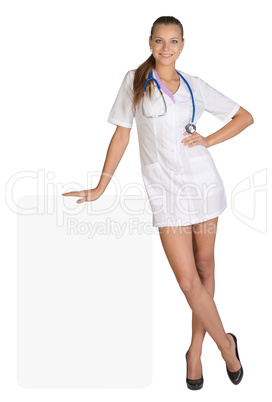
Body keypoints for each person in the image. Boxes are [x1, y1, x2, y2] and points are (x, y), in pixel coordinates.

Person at [62, 16, 254, 390]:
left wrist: (208, 141)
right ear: (150, 42)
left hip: (203, 185)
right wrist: (101, 187)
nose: (167, 48)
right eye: (160, 41)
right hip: (164, 191)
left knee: (204, 268)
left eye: (174, 41)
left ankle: (195, 352)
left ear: (183, 45)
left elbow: (244, 117)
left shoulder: (194, 86)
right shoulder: (135, 81)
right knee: (187, 282)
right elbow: (121, 136)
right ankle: (227, 347)